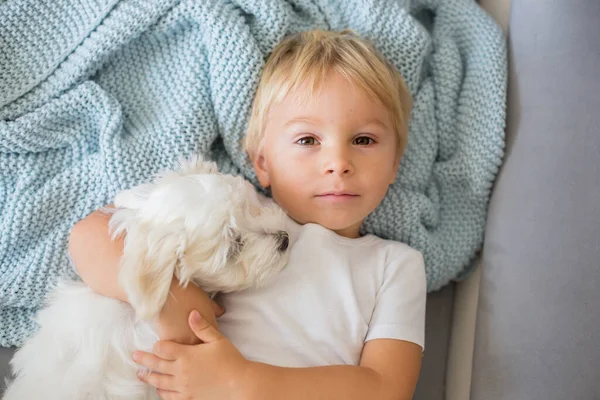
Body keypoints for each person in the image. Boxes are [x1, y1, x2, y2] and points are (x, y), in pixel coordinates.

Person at [69, 29, 426, 400]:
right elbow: (90, 235)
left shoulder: (395, 264)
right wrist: (169, 300)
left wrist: (243, 381)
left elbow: (387, 387)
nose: (338, 163)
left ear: (395, 163)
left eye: (364, 140)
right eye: (308, 140)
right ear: (262, 163)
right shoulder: (233, 213)